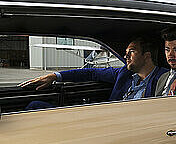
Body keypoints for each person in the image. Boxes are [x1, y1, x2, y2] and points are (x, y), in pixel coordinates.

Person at [20, 36, 167, 108]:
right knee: (35, 105)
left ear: (147, 56)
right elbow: (91, 73)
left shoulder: (165, 78)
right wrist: (55, 76)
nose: (125, 56)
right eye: (126, 52)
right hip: (104, 120)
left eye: (132, 52)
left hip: (127, 130)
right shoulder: (124, 73)